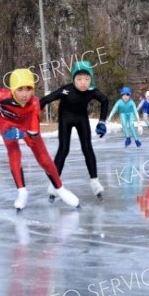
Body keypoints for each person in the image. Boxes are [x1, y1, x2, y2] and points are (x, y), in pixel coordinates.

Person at [0, 69, 80, 211]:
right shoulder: (2, 95)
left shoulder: (34, 103)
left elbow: (34, 132)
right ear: (13, 89)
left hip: (26, 125)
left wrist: (23, 134)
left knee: (44, 158)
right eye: (20, 89)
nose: (25, 94)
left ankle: (60, 189)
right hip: (7, 122)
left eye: (29, 89)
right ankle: (22, 191)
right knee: (13, 151)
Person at [39, 61, 109, 201]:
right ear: (73, 79)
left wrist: (102, 121)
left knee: (87, 148)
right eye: (79, 79)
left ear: (91, 79)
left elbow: (105, 100)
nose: (83, 83)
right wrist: (32, 115)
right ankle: (54, 184)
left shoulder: (92, 91)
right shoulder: (66, 90)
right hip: (65, 118)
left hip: (81, 118)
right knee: (64, 149)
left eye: (87, 79)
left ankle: (95, 182)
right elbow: (45, 100)